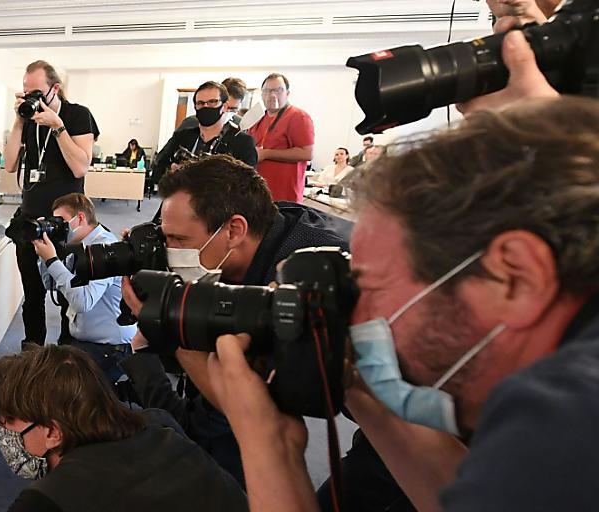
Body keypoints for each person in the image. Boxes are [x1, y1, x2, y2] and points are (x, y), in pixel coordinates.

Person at [205, 97, 599, 512]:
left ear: (515, 276)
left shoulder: (571, 426)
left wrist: (271, 445)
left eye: (371, 285)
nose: (358, 314)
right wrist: (346, 371)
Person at [118, 154, 348, 485]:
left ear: (234, 230)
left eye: (178, 241)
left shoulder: (295, 282)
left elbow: (241, 407)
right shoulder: (262, 233)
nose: (169, 251)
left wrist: (162, 316)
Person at [0, 345, 248, 512]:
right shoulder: (158, 425)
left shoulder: (54, 499)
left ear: (53, 432)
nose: (4, 438)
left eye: (7, 424)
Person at [3, 60, 99, 349]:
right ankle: (33, 352)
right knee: (32, 295)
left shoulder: (77, 115)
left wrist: (58, 128)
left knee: (67, 292)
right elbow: (9, 165)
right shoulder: (29, 120)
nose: (30, 97)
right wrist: (19, 121)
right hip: (31, 219)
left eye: (35, 92)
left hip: (66, 223)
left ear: (55, 89)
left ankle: (67, 354)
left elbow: (80, 167)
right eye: (25, 91)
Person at [31, 193, 134, 384]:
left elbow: (83, 302)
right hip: (83, 341)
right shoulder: (76, 244)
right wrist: (44, 254)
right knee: (39, 371)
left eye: (61, 221)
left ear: (79, 218)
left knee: (57, 386)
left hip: (110, 348)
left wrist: (52, 260)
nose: (59, 227)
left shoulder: (105, 248)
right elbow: (50, 284)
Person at [151, 81, 257, 187]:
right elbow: (158, 168)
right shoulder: (182, 137)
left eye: (212, 102)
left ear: (224, 106)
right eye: (200, 103)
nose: (206, 106)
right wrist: (172, 172)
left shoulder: (242, 142)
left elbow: (247, 185)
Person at [247, 73, 315, 203]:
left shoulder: (298, 117)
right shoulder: (257, 118)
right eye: (267, 91)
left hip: (284, 199)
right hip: (257, 196)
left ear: (287, 93)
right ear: (261, 94)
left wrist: (266, 153)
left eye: (278, 90)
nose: (272, 95)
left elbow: (307, 153)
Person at [178, 77, 248, 132]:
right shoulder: (191, 123)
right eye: (224, 107)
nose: (227, 112)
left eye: (232, 109)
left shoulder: (241, 126)